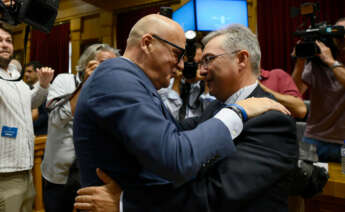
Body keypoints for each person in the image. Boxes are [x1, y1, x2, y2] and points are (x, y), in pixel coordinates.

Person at [74, 24, 297, 212]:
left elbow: (214, 195)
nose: (201, 71)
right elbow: (172, 141)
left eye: (209, 60)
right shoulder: (219, 109)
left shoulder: (273, 119)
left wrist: (125, 204)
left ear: (241, 59)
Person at [41, 43, 119, 212]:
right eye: (102, 64)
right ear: (86, 64)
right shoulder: (64, 80)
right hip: (59, 176)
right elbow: (56, 119)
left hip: (92, 178)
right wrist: (87, 84)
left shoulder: (112, 91)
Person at [0, 24, 54, 212]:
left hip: (25, 167)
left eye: (8, 41)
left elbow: (29, 102)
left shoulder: (15, 76)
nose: (5, 45)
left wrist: (43, 86)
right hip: (4, 171)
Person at [292, 17, 345, 162]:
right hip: (314, 138)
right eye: (338, 36)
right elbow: (295, 92)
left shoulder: (328, 60)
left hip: (343, 141)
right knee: (308, 180)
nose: (342, 40)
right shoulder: (317, 65)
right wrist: (300, 62)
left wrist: (331, 62)